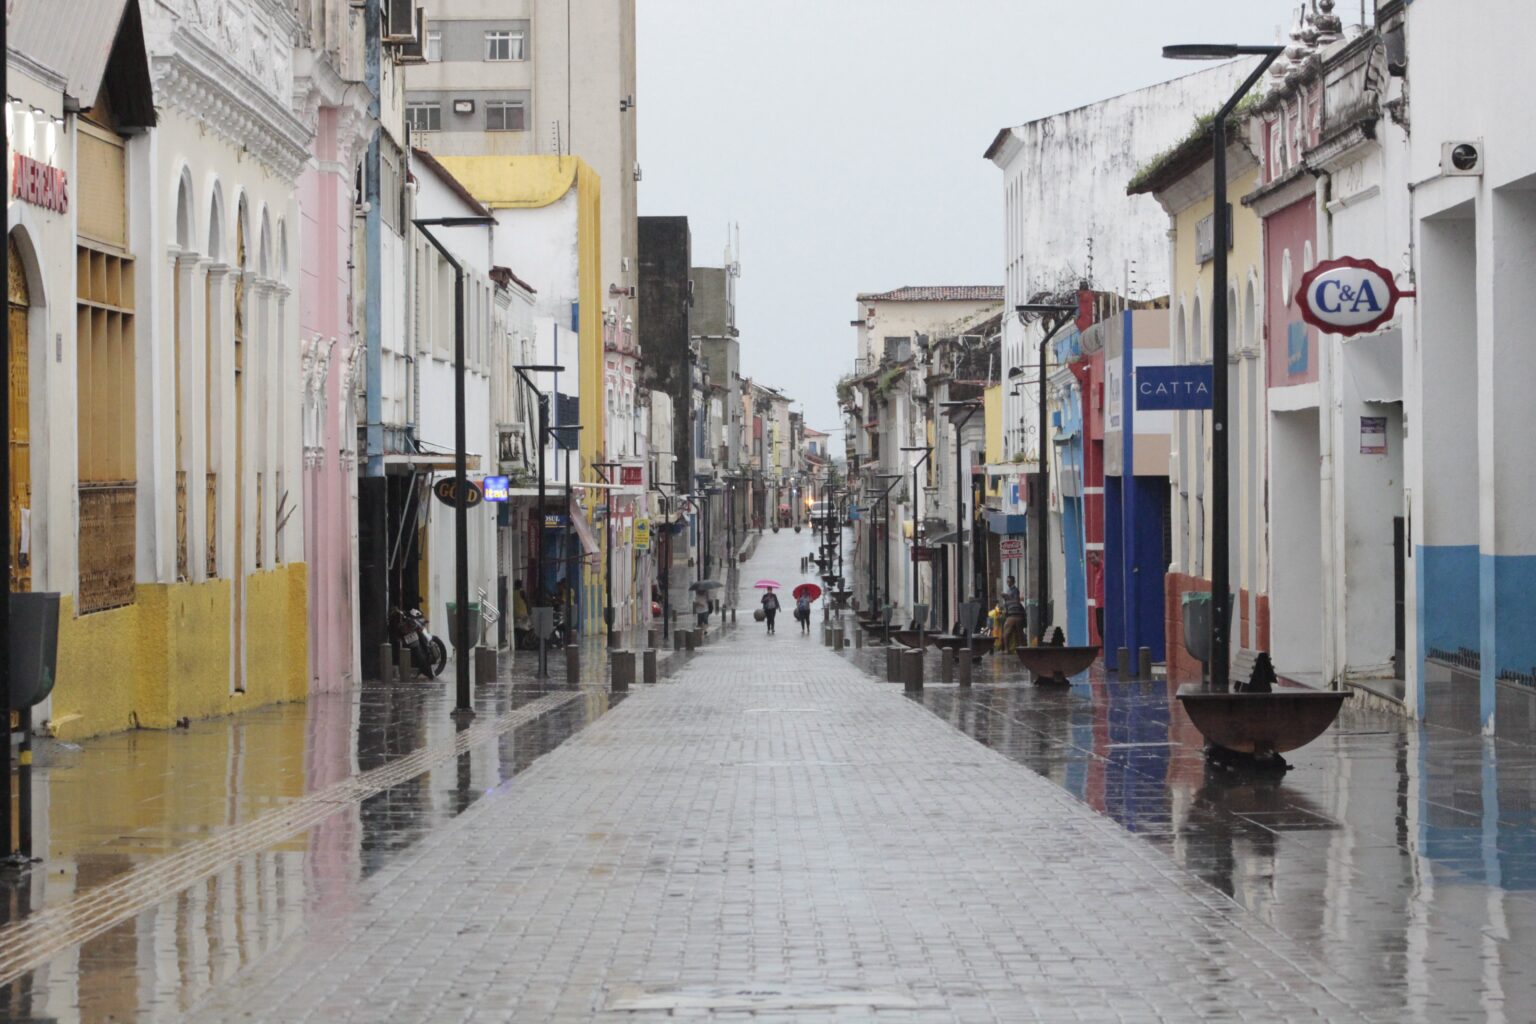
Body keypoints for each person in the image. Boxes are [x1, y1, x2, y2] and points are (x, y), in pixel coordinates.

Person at [1001, 575, 1026, 652]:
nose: (1008, 583)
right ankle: (1018, 648)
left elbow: (1015, 600)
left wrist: (1006, 596)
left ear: (1013, 582)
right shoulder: (1010, 590)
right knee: (1019, 633)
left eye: (1009, 581)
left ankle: (1006, 649)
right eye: (1007, 581)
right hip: (1016, 614)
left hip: (1014, 614)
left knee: (1006, 633)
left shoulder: (1014, 590)